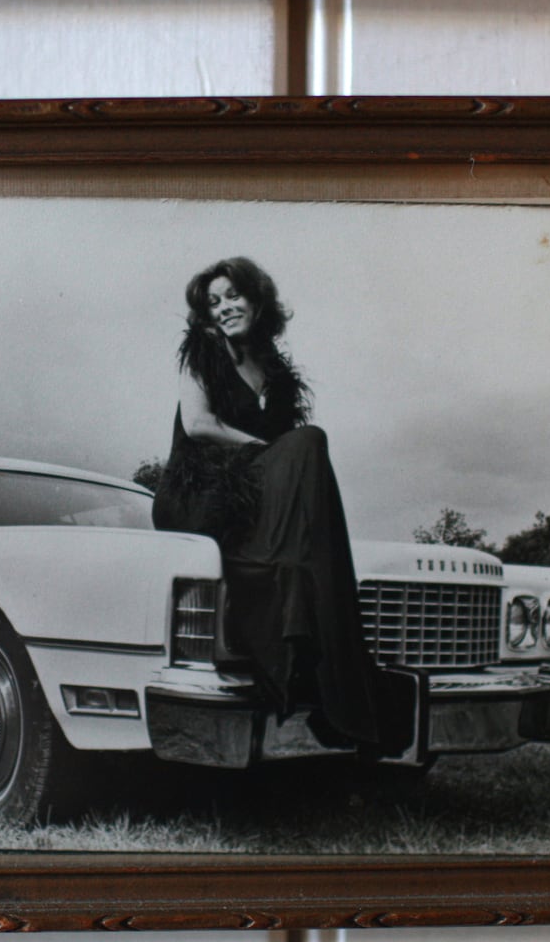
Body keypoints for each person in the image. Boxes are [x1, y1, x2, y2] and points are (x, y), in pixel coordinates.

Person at [152, 257, 410, 753]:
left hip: (253, 496)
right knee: (308, 442)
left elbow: (288, 468)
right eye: (214, 302)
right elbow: (198, 425)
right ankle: (304, 618)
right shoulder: (204, 351)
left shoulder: (276, 373)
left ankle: (325, 652)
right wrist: (262, 451)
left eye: (233, 296)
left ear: (257, 299)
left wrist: (274, 459)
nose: (225, 308)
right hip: (199, 495)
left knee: (308, 452)